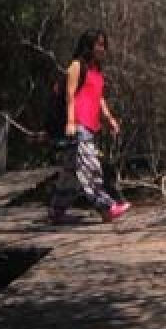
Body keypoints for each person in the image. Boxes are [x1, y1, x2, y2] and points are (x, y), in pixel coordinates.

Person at [49, 29, 131, 224]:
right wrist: (69, 121)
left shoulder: (96, 71)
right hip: (77, 124)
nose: (102, 49)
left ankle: (57, 210)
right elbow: (70, 95)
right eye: (98, 44)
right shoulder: (76, 66)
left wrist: (109, 118)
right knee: (90, 167)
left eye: (104, 44)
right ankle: (107, 207)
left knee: (70, 174)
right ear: (89, 46)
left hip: (90, 125)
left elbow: (98, 97)